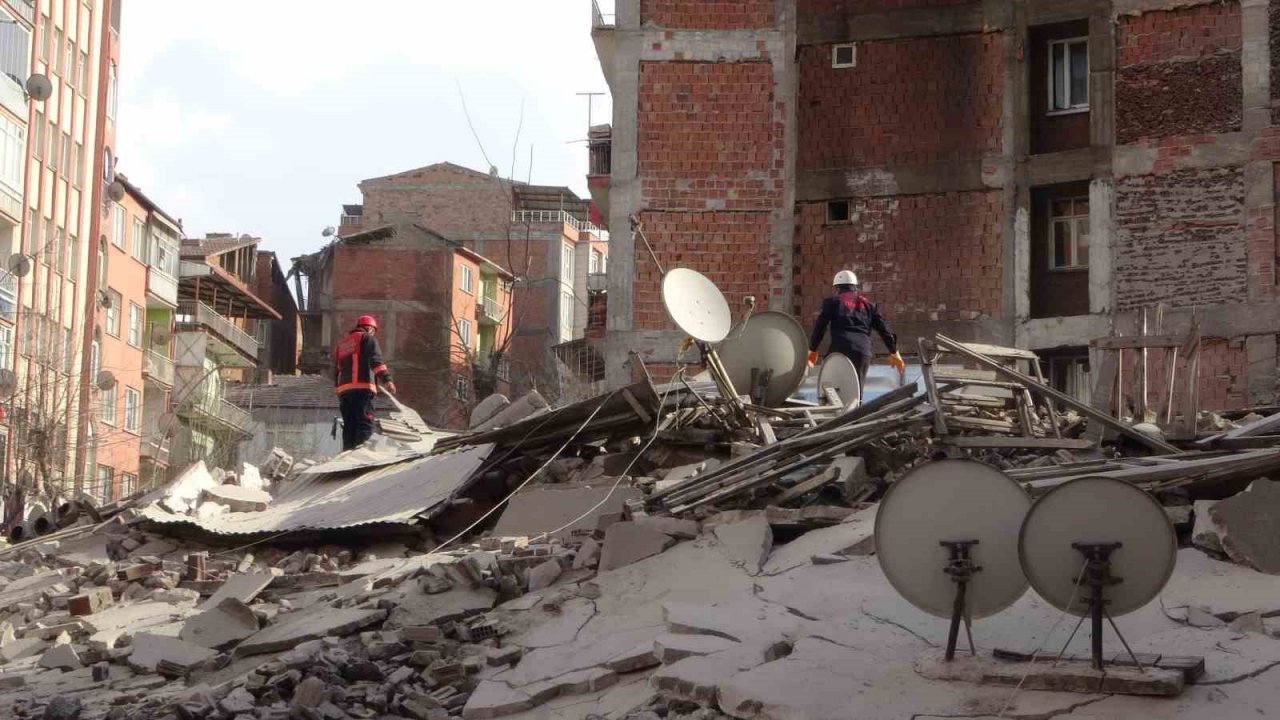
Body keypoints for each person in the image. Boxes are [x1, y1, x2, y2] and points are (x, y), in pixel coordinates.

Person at [807, 270, 905, 391]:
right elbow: (884, 330)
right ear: (855, 287)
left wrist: (812, 349)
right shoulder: (870, 305)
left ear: (837, 288)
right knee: (856, 392)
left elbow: (820, 327)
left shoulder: (832, 302)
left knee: (832, 391)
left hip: (839, 351)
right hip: (862, 352)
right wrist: (894, 352)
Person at [334, 314, 397, 451]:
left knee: (349, 427)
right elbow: (376, 360)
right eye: (373, 331)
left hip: (344, 393)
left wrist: (338, 391)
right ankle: (361, 455)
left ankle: (347, 455)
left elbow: (337, 371)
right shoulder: (367, 338)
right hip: (361, 390)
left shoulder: (342, 345)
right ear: (370, 328)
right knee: (365, 423)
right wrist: (387, 380)